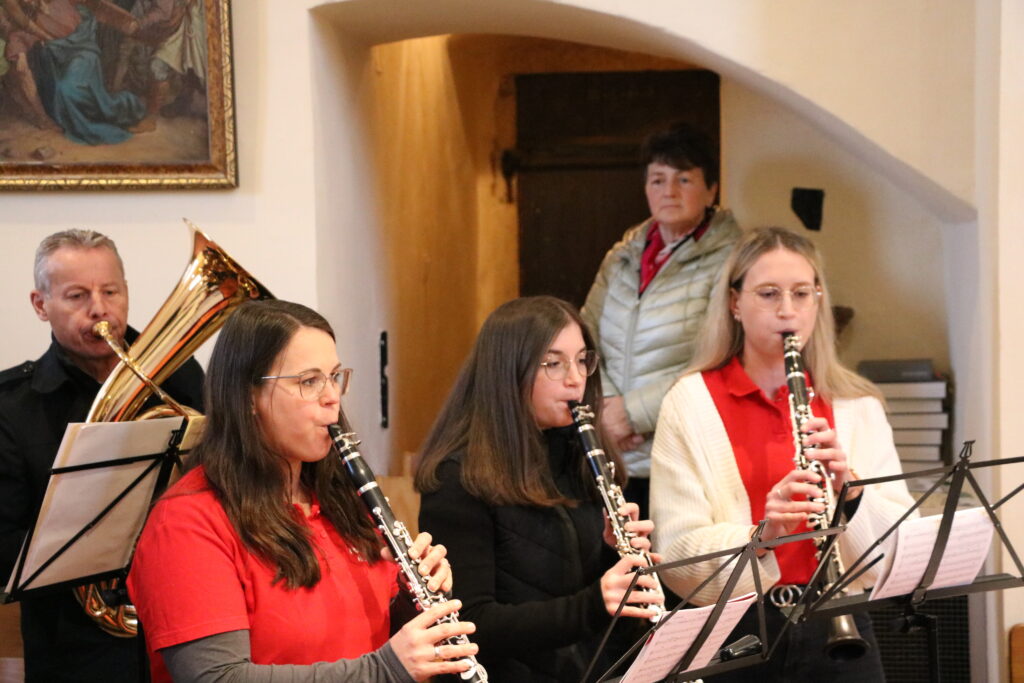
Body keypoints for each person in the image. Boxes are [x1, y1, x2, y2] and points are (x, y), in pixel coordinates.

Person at [126, 299, 478, 682]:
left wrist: (413, 605)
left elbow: (368, 635)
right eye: (309, 381)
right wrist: (384, 670)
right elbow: (217, 677)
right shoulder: (186, 524)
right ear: (248, 396)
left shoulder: (342, 499)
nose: (332, 396)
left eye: (334, 376)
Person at [650, 226, 916, 681]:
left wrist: (851, 492)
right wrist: (762, 537)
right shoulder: (690, 403)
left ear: (818, 301)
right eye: (769, 293)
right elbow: (675, 555)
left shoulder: (858, 405)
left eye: (801, 293)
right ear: (734, 302)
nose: (787, 310)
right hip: (736, 632)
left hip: (841, 622)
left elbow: (898, 553)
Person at [415, 295, 663, 683]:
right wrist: (595, 603)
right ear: (508, 372)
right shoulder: (458, 479)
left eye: (581, 360)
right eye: (554, 363)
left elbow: (580, 596)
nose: (575, 378)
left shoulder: (582, 457)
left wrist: (615, 556)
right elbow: (469, 625)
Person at [0, 229, 205, 682]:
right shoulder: (12, 407)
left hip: (185, 622)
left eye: (110, 291)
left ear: (126, 291)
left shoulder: (181, 376)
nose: (99, 309)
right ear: (40, 305)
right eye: (77, 295)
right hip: (74, 651)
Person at [581, 122, 742, 519]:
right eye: (658, 179)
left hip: (679, 449)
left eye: (684, 179)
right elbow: (586, 334)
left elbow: (722, 355)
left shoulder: (732, 260)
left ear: (711, 190)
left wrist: (632, 414)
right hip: (613, 449)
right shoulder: (622, 255)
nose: (669, 191)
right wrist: (607, 408)